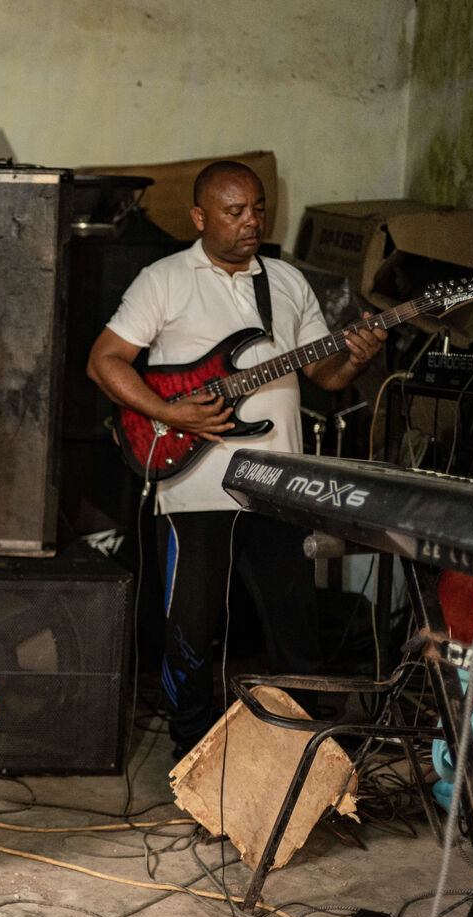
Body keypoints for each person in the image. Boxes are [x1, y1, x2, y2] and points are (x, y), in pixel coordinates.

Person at [85, 160, 387, 757]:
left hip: (282, 486)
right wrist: (170, 412)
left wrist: (357, 356)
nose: (251, 221)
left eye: (258, 209)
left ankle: (304, 754)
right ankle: (189, 751)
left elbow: (324, 375)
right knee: (191, 631)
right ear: (200, 217)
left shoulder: (286, 281)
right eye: (234, 211)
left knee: (294, 625)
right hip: (196, 486)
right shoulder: (164, 279)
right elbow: (104, 360)